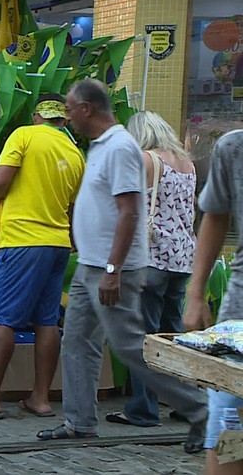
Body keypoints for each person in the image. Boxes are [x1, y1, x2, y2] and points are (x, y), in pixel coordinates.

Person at [36, 78, 207, 451]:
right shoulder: (98, 147)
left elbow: (130, 211)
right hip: (90, 266)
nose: (67, 115)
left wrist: (114, 270)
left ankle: (201, 412)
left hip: (112, 270)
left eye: (69, 108)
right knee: (78, 342)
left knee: (130, 346)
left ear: (87, 108)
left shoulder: (120, 148)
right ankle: (79, 422)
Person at [0, 95, 84, 419]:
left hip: (22, 242)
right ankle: (40, 397)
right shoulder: (76, 154)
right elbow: (74, 209)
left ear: (38, 115)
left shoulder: (24, 135)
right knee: (47, 320)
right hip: (58, 244)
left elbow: (0, 182)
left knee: (3, 318)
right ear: (63, 119)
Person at [106, 111, 196, 428]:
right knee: (174, 335)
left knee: (144, 335)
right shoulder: (187, 163)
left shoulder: (146, 161)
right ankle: (188, 403)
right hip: (183, 258)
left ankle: (143, 408)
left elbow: (130, 209)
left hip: (152, 258)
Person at [183, 128, 243, 474]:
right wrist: (196, 293)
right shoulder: (233, 147)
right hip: (238, 324)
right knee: (228, 437)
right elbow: (215, 216)